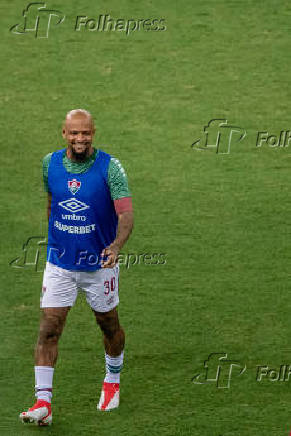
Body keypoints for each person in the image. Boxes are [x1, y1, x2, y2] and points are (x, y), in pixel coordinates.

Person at [19, 109, 134, 425]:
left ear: (93, 132)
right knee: (49, 328)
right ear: (64, 133)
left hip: (99, 265)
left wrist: (115, 247)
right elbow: (52, 204)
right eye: (74, 133)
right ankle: (43, 403)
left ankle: (112, 378)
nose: (80, 138)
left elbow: (126, 214)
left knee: (109, 325)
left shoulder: (110, 168)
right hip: (60, 264)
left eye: (85, 133)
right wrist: (58, 241)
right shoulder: (49, 164)